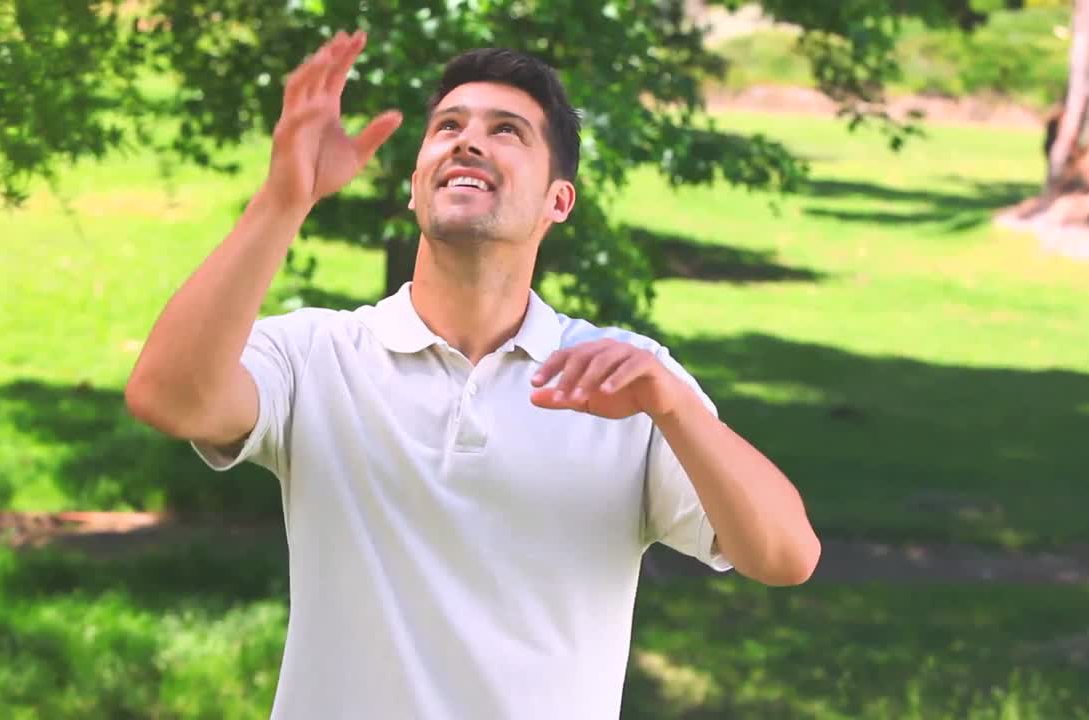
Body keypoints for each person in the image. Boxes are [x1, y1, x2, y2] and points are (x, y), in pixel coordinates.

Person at [125, 29, 820, 720]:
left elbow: (785, 555)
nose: (467, 140)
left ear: (558, 201)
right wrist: (285, 199)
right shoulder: (316, 353)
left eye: (507, 130)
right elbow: (166, 397)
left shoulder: (630, 382)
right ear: (415, 184)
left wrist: (677, 411)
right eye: (448, 126)